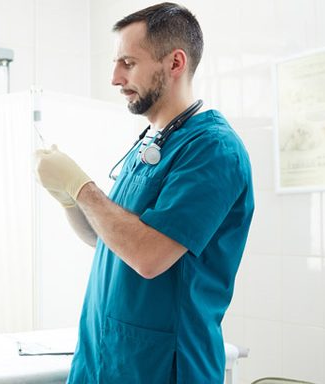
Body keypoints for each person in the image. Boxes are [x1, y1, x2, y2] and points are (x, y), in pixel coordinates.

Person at [34, 2, 254, 383]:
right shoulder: (151, 144)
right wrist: (69, 201)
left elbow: (149, 255)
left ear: (174, 63)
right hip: (106, 358)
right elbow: (108, 239)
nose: (115, 78)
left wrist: (82, 188)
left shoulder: (213, 150)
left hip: (164, 367)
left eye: (128, 63)